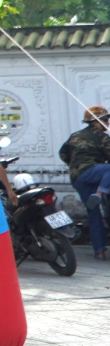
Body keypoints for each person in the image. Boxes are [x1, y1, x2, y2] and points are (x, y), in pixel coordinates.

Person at [60, 104, 110, 260]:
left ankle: (99, 252)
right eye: (106, 119)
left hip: (78, 178)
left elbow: (63, 154)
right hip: (94, 173)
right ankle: (100, 193)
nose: (108, 123)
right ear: (96, 121)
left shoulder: (74, 136)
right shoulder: (102, 136)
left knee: (93, 215)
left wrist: (75, 165)